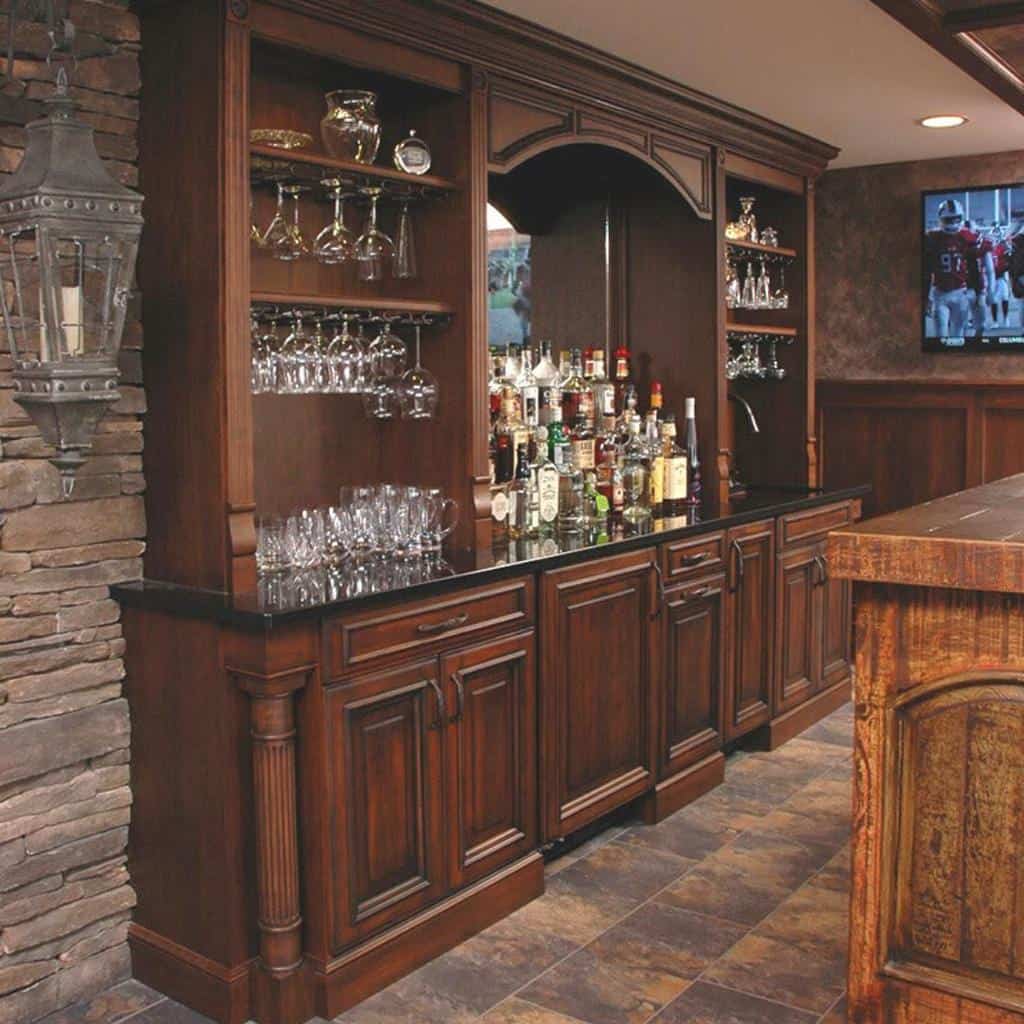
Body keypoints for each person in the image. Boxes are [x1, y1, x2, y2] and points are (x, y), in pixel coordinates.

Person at [925, 199, 994, 340]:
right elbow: (926, 271)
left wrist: (986, 290)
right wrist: (926, 297)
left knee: (957, 336)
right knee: (941, 335)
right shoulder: (932, 238)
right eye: (949, 219)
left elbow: (984, 262)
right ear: (941, 219)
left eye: (956, 219)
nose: (953, 223)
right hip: (940, 293)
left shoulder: (967, 237)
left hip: (960, 292)